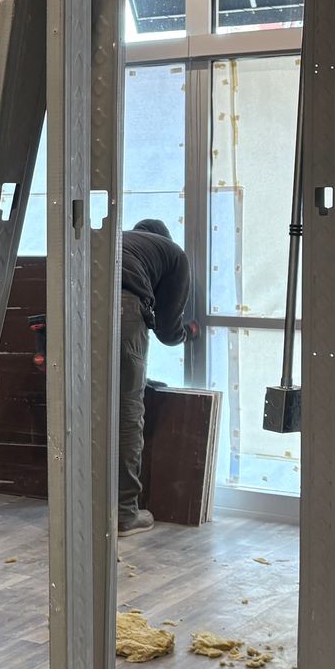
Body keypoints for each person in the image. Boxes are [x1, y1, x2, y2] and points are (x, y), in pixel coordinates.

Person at [118, 218, 195, 533]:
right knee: (126, 412)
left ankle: (76, 509)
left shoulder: (116, 239)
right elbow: (166, 328)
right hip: (120, 307)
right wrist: (185, 334)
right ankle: (123, 514)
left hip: (68, 303)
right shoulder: (173, 254)